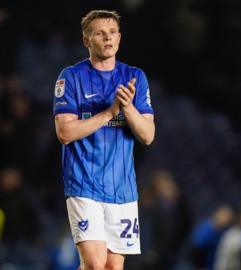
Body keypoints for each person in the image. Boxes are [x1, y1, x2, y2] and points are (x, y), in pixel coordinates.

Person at [53, 10, 155, 270]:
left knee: (112, 267)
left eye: (112, 33)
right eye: (99, 33)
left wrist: (127, 108)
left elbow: (147, 135)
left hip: (122, 188)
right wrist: (109, 113)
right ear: (87, 41)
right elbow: (65, 133)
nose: (107, 38)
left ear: (119, 39)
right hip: (83, 183)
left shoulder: (135, 77)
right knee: (95, 264)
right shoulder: (71, 77)